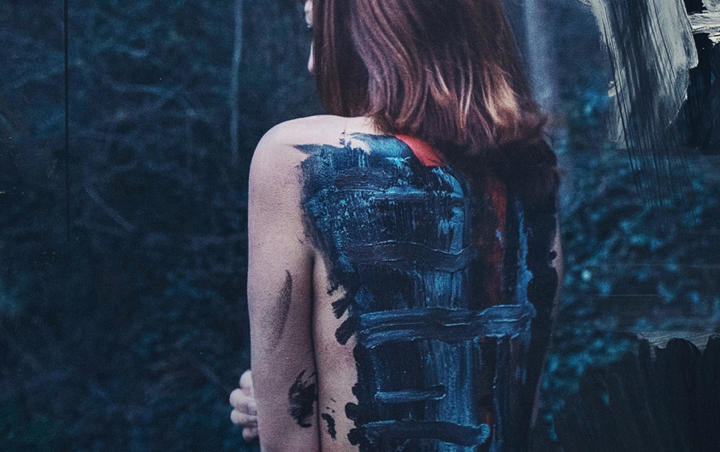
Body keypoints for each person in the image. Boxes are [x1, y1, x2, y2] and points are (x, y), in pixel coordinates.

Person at [230, 0, 562, 450]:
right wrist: (283, 400)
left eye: (318, 31)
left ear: (374, 26)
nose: (312, 63)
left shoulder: (300, 158)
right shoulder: (531, 173)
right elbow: (511, 400)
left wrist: (282, 408)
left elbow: (289, 441)